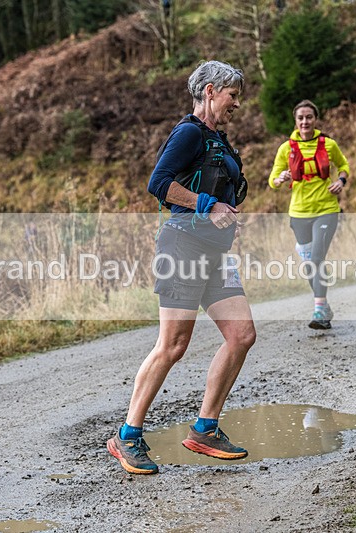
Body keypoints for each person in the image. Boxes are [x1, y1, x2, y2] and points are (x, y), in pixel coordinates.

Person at [107, 60, 256, 475]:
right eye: (233, 95)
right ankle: (127, 436)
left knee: (242, 334)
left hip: (214, 254)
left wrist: (225, 211)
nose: (237, 104)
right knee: (172, 345)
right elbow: (159, 182)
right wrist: (208, 205)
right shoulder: (189, 132)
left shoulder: (218, 141)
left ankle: (205, 429)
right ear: (210, 91)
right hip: (182, 246)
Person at [268, 99, 350, 330]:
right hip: (298, 212)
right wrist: (280, 178)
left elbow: (344, 165)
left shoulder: (329, 144)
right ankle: (324, 306)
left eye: (309, 117)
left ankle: (319, 309)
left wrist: (340, 181)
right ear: (295, 121)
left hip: (326, 209)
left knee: (316, 259)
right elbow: (272, 179)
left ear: (315, 119)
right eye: (301, 118)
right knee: (309, 265)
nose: (305, 121)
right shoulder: (286, 148)